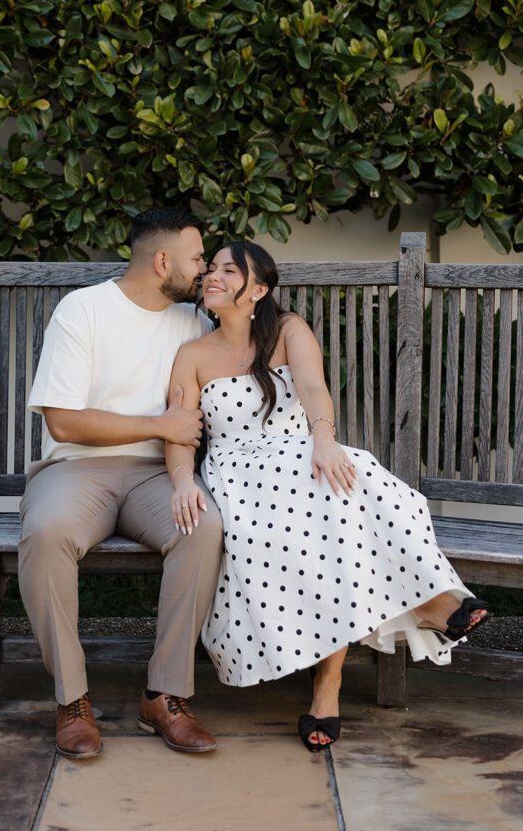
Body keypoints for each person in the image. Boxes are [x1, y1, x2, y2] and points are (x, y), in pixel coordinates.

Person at [165, 241, 489, 752]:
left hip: (302, 454)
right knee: (329, 502)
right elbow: (179, 431)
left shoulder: (288, 329)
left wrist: (322, 437)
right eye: (213, 268)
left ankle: (329, 682)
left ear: (260, 289)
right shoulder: (192, 355)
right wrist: (183, 480)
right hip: (238, 473)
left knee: (347, 476)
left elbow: (314, 388)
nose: (213, 276)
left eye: (231, 270)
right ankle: (429, 602)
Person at [20, 207, 223, 759]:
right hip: (76, 469)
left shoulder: (195, 321)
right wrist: (159, 424)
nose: (204, 269)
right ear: (162, 261)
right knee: (46, 530)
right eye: (197, 258)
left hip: (157, 476)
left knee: (203, 528)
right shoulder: (83, 310)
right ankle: (72, 701)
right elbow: (63, 420)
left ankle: (165, 695)